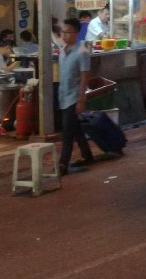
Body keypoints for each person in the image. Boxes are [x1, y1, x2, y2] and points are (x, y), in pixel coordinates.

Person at [56, 18, 95, 175]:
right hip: (63, 95)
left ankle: (62, 163)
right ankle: (87, 155)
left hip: (74, 97)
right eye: (63, 32)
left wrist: (81, 99)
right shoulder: (62, 52)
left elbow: (85, 77)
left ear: (76, 33)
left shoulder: (82, 52)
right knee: (75, 128)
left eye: (67, 32)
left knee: (67, 131)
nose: (64, 35)